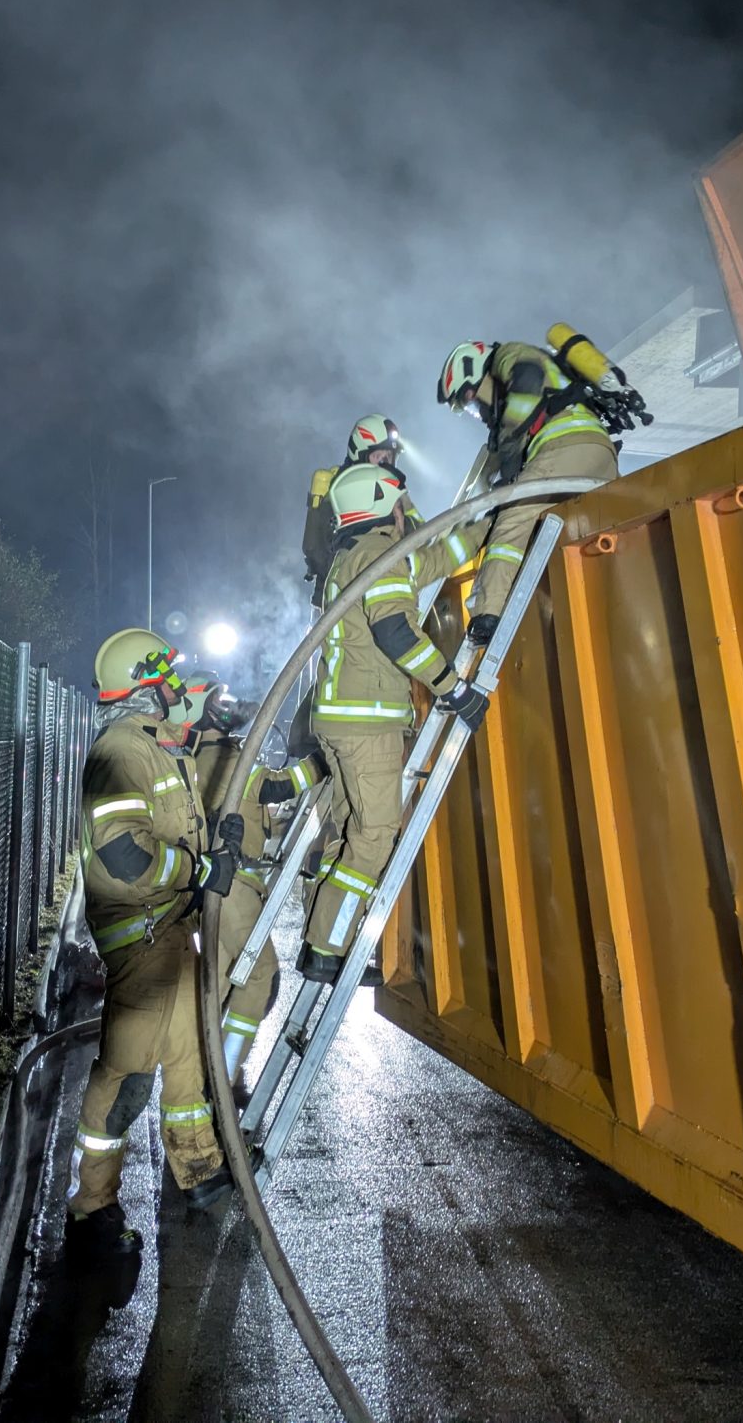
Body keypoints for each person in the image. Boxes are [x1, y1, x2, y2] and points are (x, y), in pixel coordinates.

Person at [65, 627, 242, 1257]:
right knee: (127, 1075)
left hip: (167, 927)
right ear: (144, 684)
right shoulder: (119, 750)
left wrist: (214, 847)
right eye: (165, 674)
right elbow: (124, 853)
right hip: (140, 932)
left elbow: (176, 825)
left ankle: (200, 1171)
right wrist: (198, 870)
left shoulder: (155, 746)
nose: (176, 683)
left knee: (187, 1052)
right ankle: (90, 1211)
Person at [301, 463, 488, 985]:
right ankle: (327, 948)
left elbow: (431, 560)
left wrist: (485, 525)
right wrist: (452, 688)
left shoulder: (359, 554)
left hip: (343, 721)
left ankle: (322, 941)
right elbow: (397, 633)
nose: (408, 511)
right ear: (383, 503)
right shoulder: (377, 555)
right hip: (367, 725)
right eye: (401, 503)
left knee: (351, 833)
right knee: (376, 835)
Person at [436, 328, 643, 642]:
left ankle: (487, 614)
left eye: (469, 399)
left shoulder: (508, 354)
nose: (476, 411)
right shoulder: (523, 389)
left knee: (513, 519)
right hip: (598, 453)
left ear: (475, 370)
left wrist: (508, 443)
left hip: (566, 446)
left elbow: (527, 380)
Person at [173, 673, 325, 1091]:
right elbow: (274, 785)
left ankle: (202, 1080)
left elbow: (251, 811)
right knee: (259, 977)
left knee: (219, 986)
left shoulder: (210, 754)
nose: (230, 706)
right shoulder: (218, 758)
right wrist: (322, 761)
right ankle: (224, 1077)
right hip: (232, 888)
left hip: (224, 886)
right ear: (201, 708)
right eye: (220, 700)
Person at [302, 413, 407, 607]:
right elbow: (328, 557)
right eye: (378, 457)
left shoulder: (386, 494)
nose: (385, 464)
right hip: (340, 604)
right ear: (359, 455)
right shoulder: (339, 497)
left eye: (389, 457)